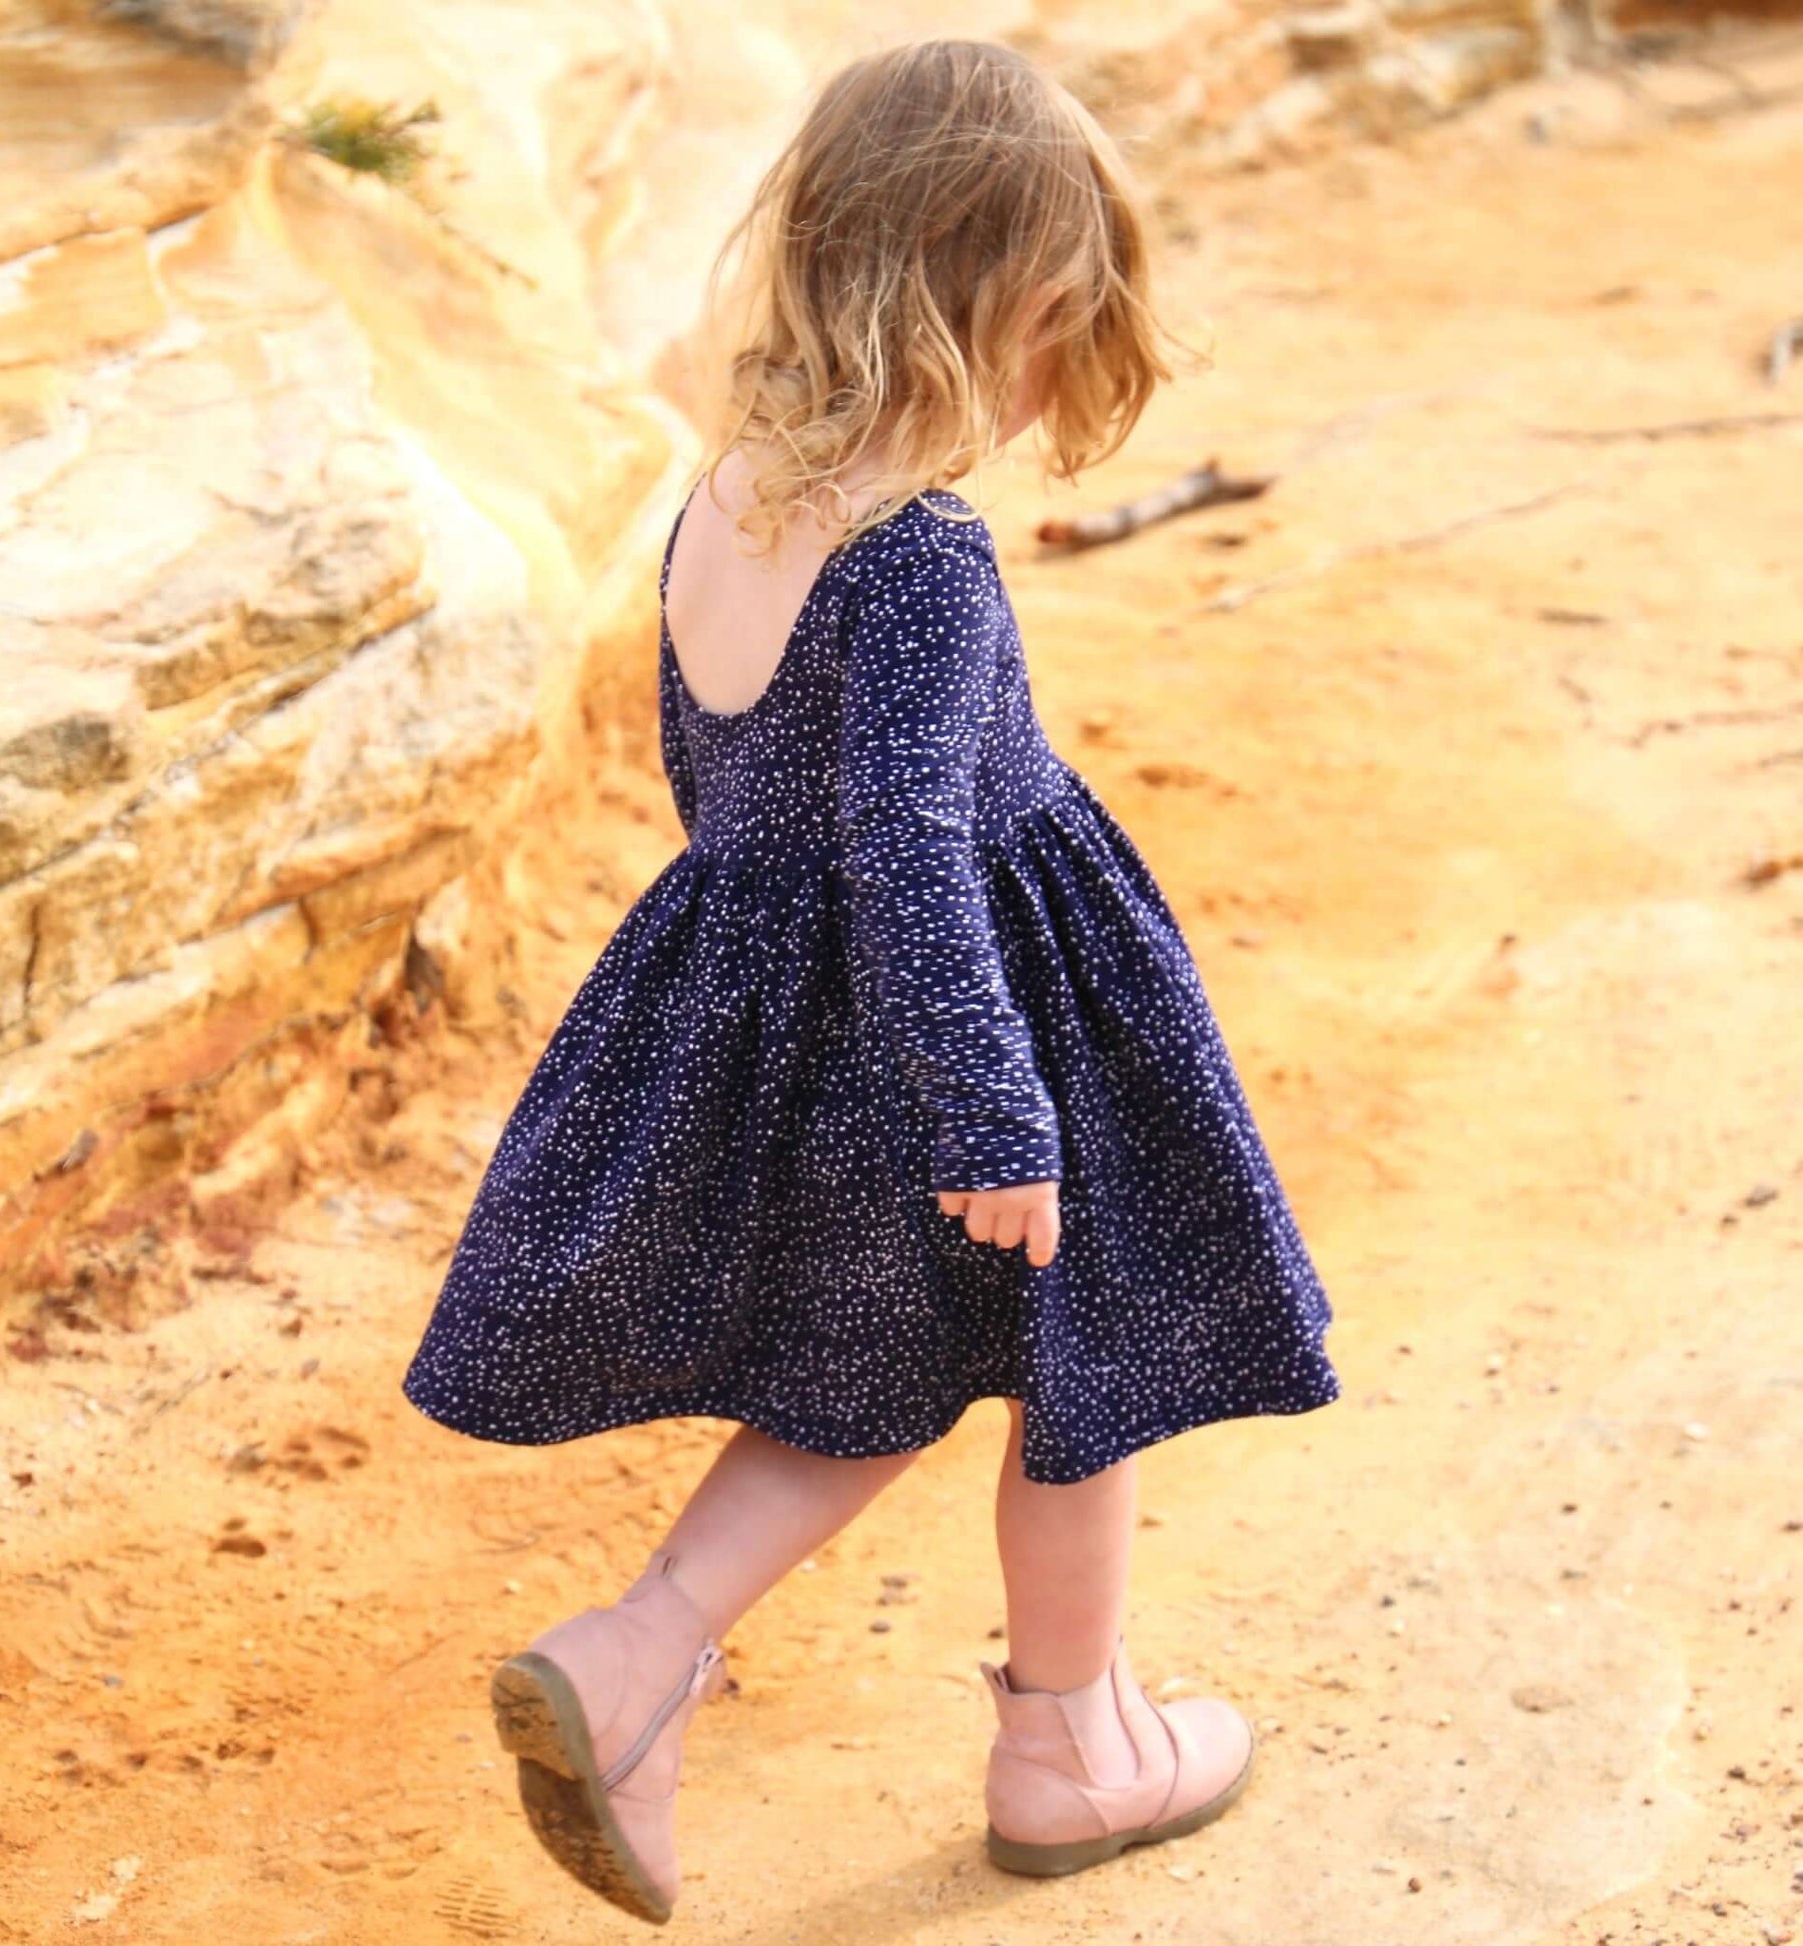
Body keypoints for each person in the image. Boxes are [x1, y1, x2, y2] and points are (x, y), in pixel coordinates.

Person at [402, 35, 1341, 1925]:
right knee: (1090, 1362)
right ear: (969, 302)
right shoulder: (919, 558)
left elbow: (734, 789)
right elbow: (910, 840)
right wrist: (993, 1103)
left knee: (866, 1382)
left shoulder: (733, 496)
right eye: (1045, 328)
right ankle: (1073, 1741)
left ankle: (637, 1650)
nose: (1041, 383)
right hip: (967, 1018)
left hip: (795, 1023)